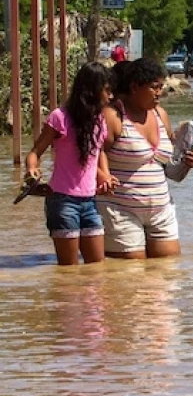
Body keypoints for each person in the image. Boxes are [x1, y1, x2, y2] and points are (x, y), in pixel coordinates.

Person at [97, 58, 193, 259]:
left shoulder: (160, 114)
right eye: (154, 88)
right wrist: (102, 176)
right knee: (129, 274)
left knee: (168, 269)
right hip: (119, 209)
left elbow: (168, 167)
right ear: (135, 86)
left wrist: (189, 163)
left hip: (161, 208)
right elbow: (89, 156)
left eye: (161, 87)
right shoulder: (113, 116)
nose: (160, 93)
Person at [24, 62, 119, 265]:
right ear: (93, 90)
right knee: (69, 270)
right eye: (107, 91)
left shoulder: (100, 120)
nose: (110, 97)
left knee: (97, 267)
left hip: (90, 202)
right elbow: (35, 152)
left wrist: (105, 177)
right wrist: (31, 170)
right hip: (62, 201)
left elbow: (96, 153)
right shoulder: (59, 118)